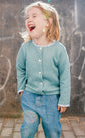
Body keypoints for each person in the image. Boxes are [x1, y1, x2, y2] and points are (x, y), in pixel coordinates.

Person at [16, 1, 71, 138]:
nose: (29, 19)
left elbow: (65, 76)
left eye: (34, 16)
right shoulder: (25, 48)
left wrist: (63, 99)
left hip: (52, 100)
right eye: (27, 17)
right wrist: (22, 88)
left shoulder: (59, 49)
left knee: (52, 131)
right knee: (28, 129)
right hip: (29, 97)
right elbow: (20, 68)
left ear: (48, 22)